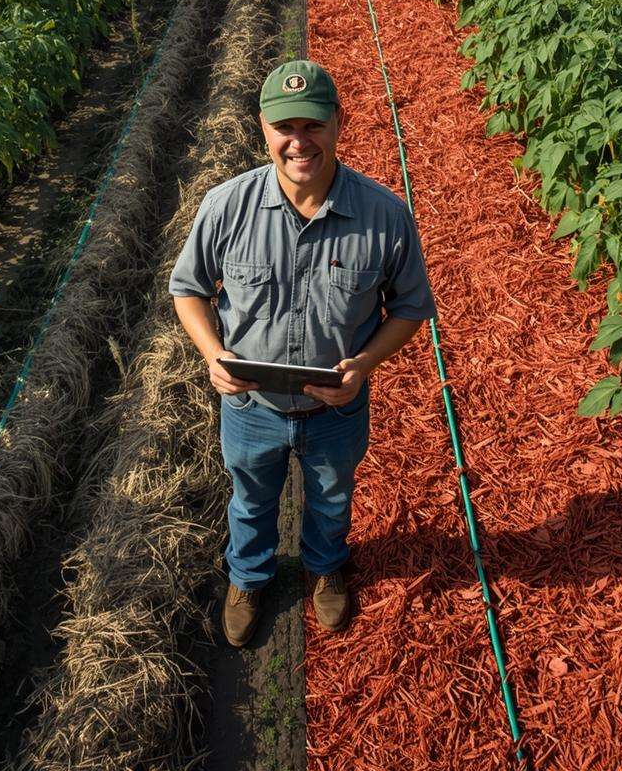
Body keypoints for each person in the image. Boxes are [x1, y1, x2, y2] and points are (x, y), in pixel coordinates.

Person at [169, 59, 437, 647]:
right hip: (250, 407)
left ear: (339, 123)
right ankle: (249, 576)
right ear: (263, 128)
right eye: (285, 126)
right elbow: (188, 289)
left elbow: (412, 308)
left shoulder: (383, 216)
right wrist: (214, 355)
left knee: (332, 499)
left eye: (313, 125)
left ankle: (324, 567)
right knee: (250, 497)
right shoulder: (226, 207)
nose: (299, 142)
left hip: (335, 411)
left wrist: (363, 365)